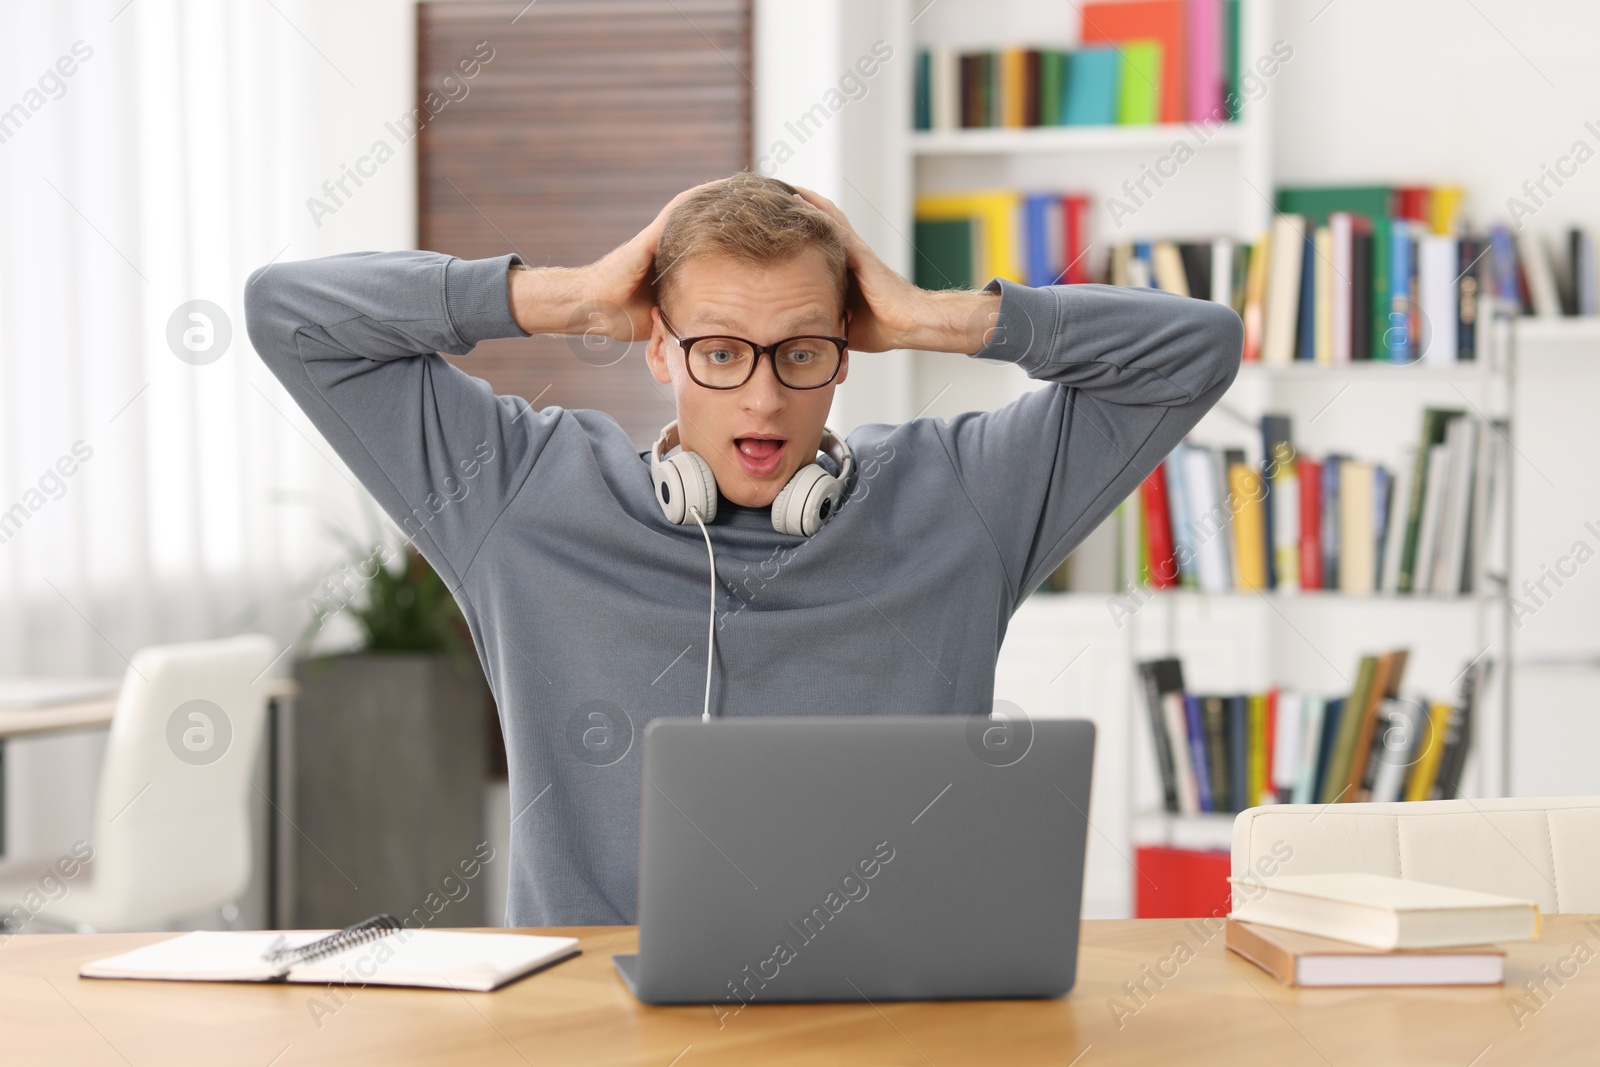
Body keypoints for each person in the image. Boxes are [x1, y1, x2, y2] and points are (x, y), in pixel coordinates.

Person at [244, 170, 1242, 926]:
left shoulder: (962, 499)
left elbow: (1196, 348)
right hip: (594, 1022)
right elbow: (288, 315)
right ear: (657, 347)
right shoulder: (519, 494)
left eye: (801, 350)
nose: (763, 398)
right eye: (718, 350)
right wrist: (568, 295)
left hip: (888, 1015)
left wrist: (936, 315)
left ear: (849, 350)